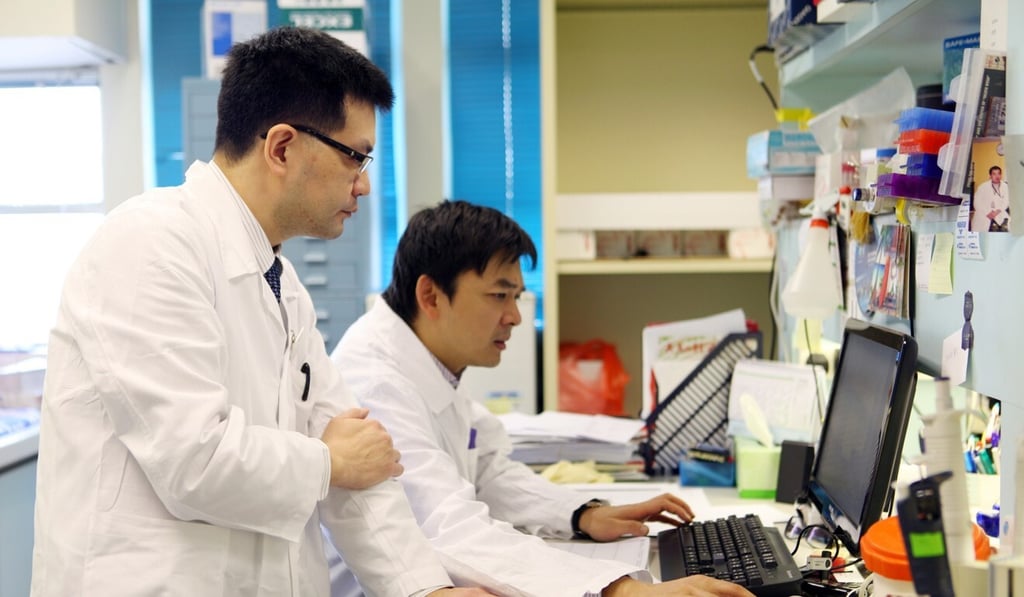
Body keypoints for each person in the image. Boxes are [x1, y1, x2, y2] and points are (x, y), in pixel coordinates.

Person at [31, 27, 493, 597]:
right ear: (281, 147)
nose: (366, 185)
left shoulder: (281, 284)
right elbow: (194, 462)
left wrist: (425, 589)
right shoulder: (148, 245)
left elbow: (362, 462)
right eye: (357, 157)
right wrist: (325, 461)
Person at [331, 200, 754, 597]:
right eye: (500, 295)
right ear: (431, 296)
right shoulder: (376, 383)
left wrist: (583, 514)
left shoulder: (432, 361)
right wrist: (623, 589)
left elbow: (490, 473)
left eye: (516, 296)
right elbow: (448, 526)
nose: (515, 316)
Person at [972, 164, 1010, 232]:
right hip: (984, 215)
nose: (997, 176)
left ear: (1001, 175)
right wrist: (987, 212)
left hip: (999, 214)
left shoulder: (1005, 187)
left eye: (999, 173)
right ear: (990, 176)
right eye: (994, 174)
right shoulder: (982, 187)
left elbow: (1006, 201)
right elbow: (977, 202)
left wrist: (997, 211)